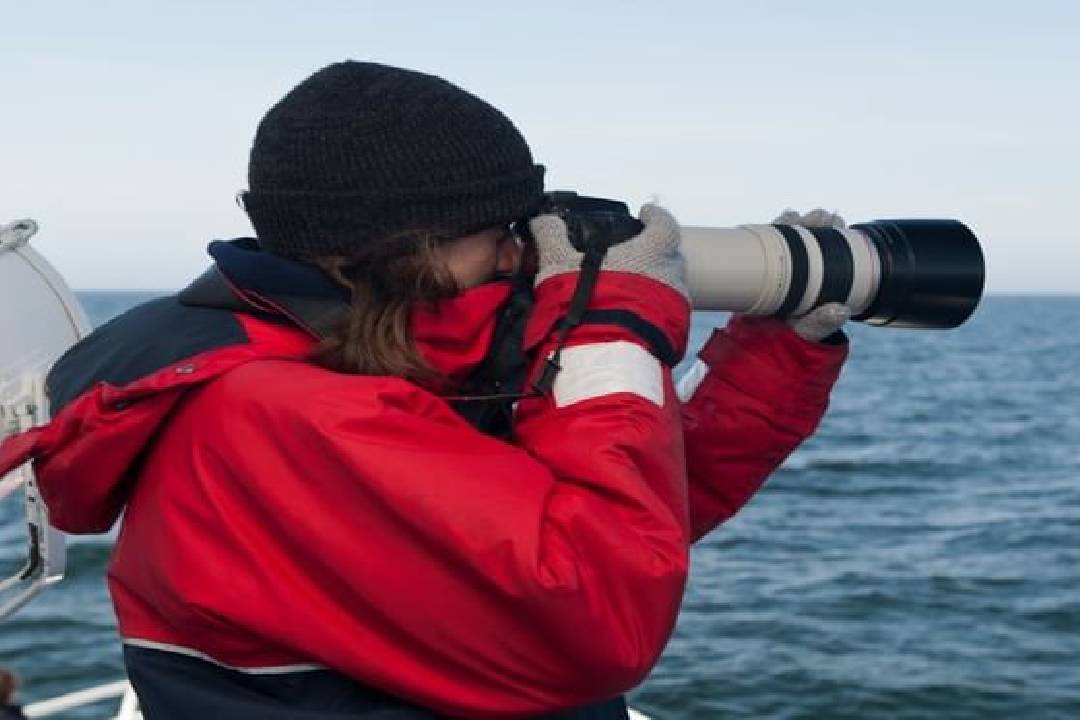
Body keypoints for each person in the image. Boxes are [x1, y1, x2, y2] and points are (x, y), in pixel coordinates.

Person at [0, 61, 848, 718]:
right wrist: (608, 325)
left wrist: (774, 351)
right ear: (414, 248)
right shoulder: (276, 413)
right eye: (500, 234)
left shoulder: (356, 369)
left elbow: (631, 506)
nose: (523, 255)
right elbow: (600, 604)